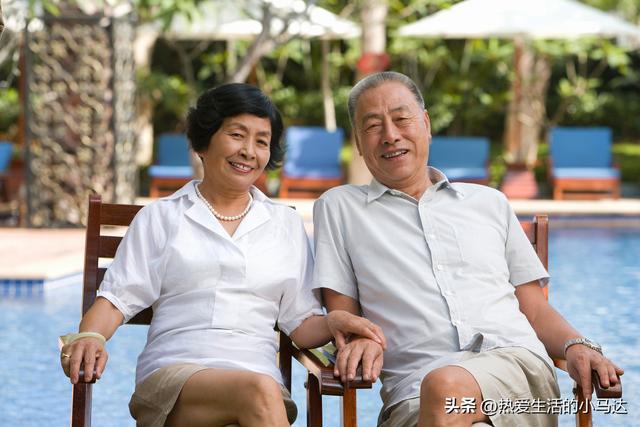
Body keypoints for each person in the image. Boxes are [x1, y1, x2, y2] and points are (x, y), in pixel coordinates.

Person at [59, 83, 385, 427]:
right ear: (204, 142)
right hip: (175, 382)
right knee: (259, 392)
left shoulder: (285, 224)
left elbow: (300, 324)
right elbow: (115, 300)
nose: (249, 151)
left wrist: (335, 321)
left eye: (262, 141)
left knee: (260, 392)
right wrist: (91, 336)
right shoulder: (161, 217)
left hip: (261, 388)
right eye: (237, 135)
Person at [312, 71, 623, 427]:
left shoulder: (489, 203)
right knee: (446, 395)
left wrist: (576, 344)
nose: (390, 134)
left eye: (401, 119)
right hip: (413, 398)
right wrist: (357, 339)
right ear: (357, 141)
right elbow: (345, 318)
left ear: (426, 124)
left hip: (516, 379)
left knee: (445, 386)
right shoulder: (339, 208)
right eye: (372, 126)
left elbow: (535, 311)